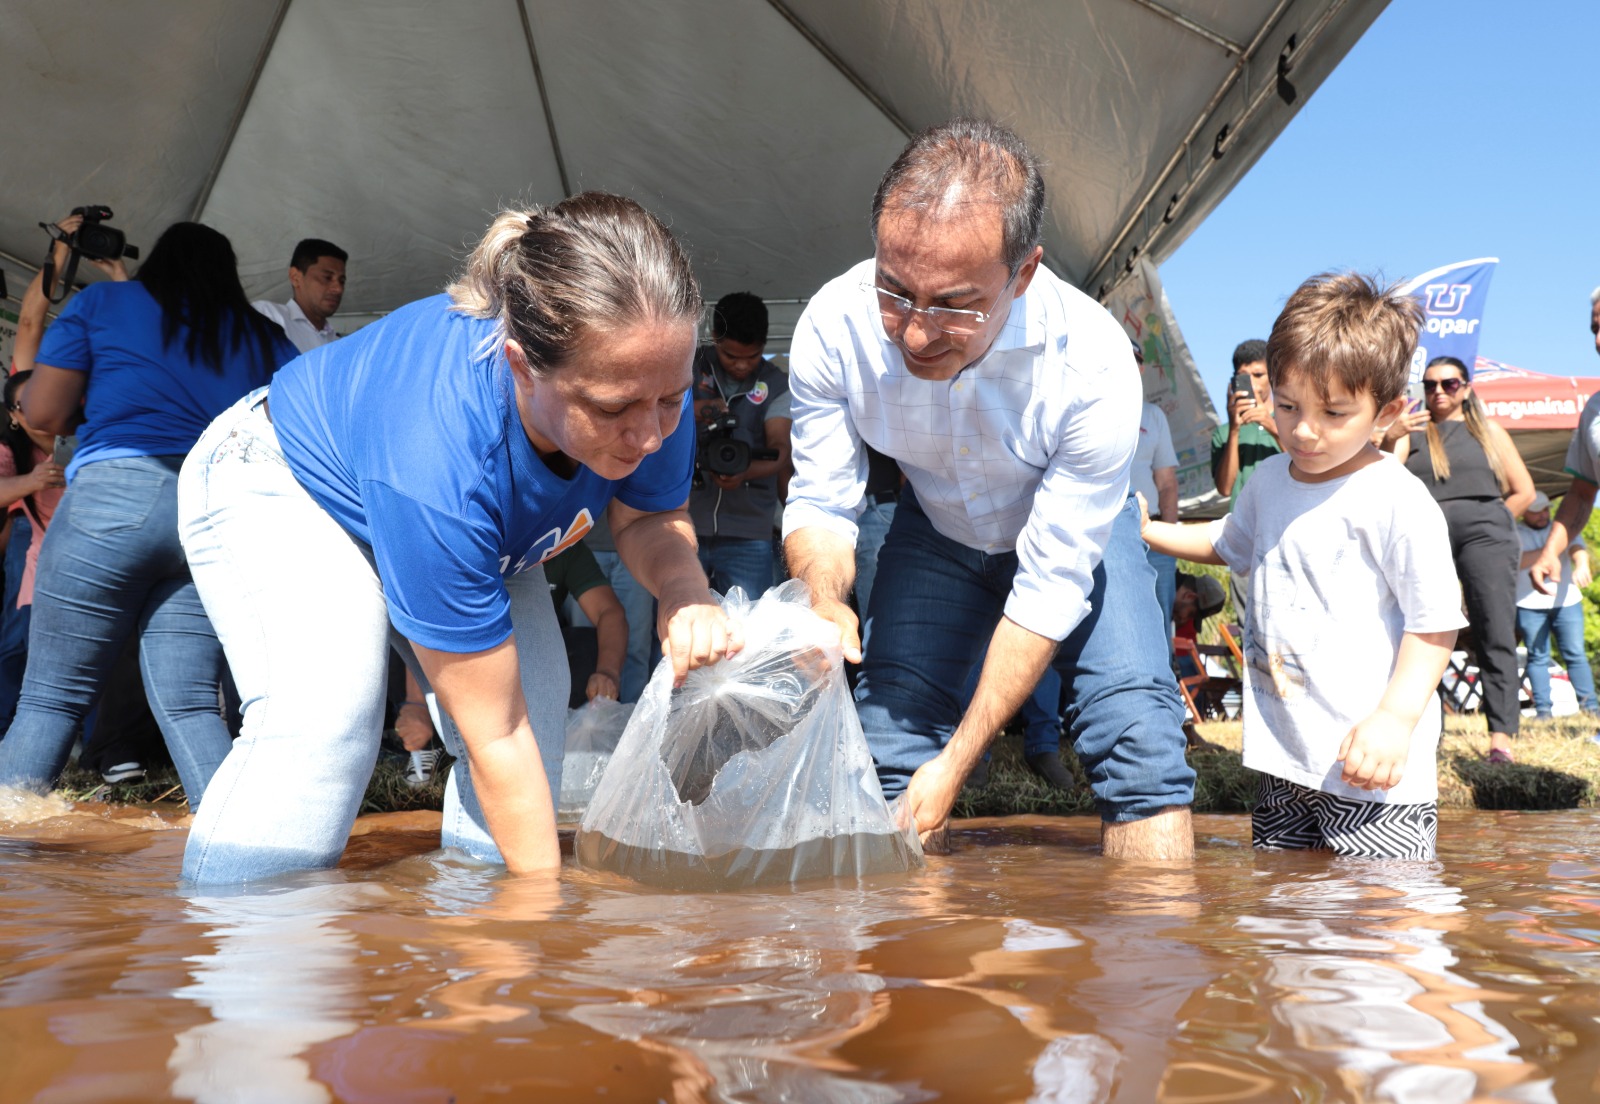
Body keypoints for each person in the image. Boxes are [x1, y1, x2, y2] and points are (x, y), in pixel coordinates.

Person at [177, 194, 736, 885]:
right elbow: (494, 733)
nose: (650, 436)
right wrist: (549, 914)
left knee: (538, 712)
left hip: (477, 523)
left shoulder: (643, 371)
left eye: (672, 400)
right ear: (522, 365)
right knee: (326, 724)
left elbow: (648, 518)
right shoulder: (443, 457)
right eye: (614, 407)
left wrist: (683, 591)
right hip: (289, 480)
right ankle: (245, 928)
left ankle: (480, 935)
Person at [782, 118, 1194, 858]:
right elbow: (822, 500)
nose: (914, 334)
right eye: (895, 291)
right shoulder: (833, 327)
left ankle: (1152, 931)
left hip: (1078, 536)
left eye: (953, 304)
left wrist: (960, 761)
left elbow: (1049, 587)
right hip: (935, 527)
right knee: (889, 745)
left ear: (1024, 274)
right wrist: (822, 598)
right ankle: (911, 934)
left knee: (1138, 740)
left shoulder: (1092, 362)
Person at [1143, 272, 1463, 860]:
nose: (1305, 430)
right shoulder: (1268, 480)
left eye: (1334, 412)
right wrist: (1147, 531)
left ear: (1387, 412)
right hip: (1283, 758)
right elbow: (1225, 541)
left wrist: (1395, 718)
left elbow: (1435, 621)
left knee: (1382, 905)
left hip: (1371, 766)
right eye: (1288, 406)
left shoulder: (1395, 496)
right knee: (1285, 897)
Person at [0, 221, 297, 805]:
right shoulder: (263, 336)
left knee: (52, 698)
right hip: (214, 512)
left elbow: (45, 413)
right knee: (191, 703)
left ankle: (7, 849)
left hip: (117, 496)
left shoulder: (104, 303)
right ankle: (235, 845)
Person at [1385, 355, 1535, 763]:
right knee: (1422, 630)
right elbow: (1384, 478)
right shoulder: (1413, 430)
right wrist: (1389, 436)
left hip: (1487, 536)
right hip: (1425, 537)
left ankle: (1501, 739)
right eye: (1430, 384)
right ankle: (1424, 736)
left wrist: (1496, 522)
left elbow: (1524, 490)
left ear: (1466, 388)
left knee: (1494, 629)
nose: (1438, 391)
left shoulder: (1488, 431)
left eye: (1449, 383)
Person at [689, 291, 792, 601]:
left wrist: (743, 472)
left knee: (749, 625)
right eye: (731, 356)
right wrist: (698, 410)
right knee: (678, 621)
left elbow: (779, 451)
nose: (742, 365)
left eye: (753, 356)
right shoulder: (687, 367)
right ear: (714, 337)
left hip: (749, 531)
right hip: (684, 523)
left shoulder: (777, 384)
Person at [1530, 287, 1600, 604]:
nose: (1597, 340)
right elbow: (1582, 493)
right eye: (1594, 329)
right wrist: (1551, 551)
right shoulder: (1593, 410)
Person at [1515, 491, 1597, 718]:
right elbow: (1517, 561)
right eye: (1536, 511)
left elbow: (1577, 548)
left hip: (1566, 601)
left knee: (1575, 654)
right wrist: (1552, 549)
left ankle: (1591, 708)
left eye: (1546, 509)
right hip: (1528, 603)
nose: (1543, 515)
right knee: (1537, 657)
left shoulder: (1559, 527)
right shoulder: (1514, 532)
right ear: (1524, 512)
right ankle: (1543, 711)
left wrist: (1582, 563)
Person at [1132, 340, 1180, 636]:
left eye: (1134, 358)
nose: (1127, 362)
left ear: (1142, 368)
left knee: (1159, 623)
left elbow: (1167, 484)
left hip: (1152, 536)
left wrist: (1170, 543)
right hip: (1100, 531)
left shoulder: (1152, 415)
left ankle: (1165, 666)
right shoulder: (1083, 406)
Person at [1210, 339, 1279, 507]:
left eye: (1258, 375)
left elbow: (1307, 466)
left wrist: (1271, 425)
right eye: (1244, 377)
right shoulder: (1224, 433)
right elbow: (1225, 488)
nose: (1252, 383)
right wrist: (1234, 430)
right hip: (1241, 519)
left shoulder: (1291, 421)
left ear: (1272, 376)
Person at [250, 238, 347, 354]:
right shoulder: (269, 316)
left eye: (342, 281)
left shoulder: (338, 343)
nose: (338, 289)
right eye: (327, 277)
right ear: (295, 278)